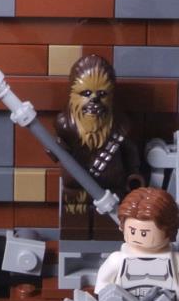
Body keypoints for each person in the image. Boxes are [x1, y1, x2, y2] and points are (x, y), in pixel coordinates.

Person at [53, 54, 144, 240]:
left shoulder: (121, 126)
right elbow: (60, 150)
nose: (94, 100)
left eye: (102, 94)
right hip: (76, 187)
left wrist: (134, 173)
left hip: (113, 187)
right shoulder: (65, 125)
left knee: (109, 226)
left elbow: (130, 152)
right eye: (86, 94)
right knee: (75, 223)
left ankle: (109, 246)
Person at [96, 187, 179, 299]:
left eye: (144, 233)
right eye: (132, 231)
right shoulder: (117, 259)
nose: (137, 237)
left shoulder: (176, 259)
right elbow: (102, 283)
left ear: (169, 230)